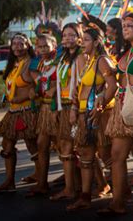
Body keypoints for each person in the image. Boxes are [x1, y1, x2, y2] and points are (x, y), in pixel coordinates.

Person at [98, 12, 133, 216]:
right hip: (122, 108)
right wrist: (103, 99)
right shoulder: (127, 51)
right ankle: (118, 201)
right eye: (124, 25)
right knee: (116, 155)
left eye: (130, 25)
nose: (125, 28)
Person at [66, 25, 117, 211]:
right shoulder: (89, 60)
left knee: (107, 156)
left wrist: (102, 106)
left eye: (86, 39)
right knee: (86, 157)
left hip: (98, 117)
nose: (82, 43)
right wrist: (74, 108)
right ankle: (85, 197)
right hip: (83, 116)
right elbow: (81, 89)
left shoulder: (102, 60)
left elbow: (114, 85)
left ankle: (122, 195)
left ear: (96, 42)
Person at [0, 33, 39, 193]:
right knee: (7, 144)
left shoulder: (31, 63)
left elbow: (40, 86)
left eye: (21, 44)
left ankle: (40, 177)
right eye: (15, 44)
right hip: (13, 111)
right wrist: (9, 96)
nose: (18, 47)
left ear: (28, 46)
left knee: (32, 144)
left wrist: (27, 95)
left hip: (27, 111)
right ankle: (9, 181)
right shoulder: (13, 65)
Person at [49, 23, 83, 201]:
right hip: (64, 107)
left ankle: (103, 186)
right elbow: (58, 85)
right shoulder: (63, 58)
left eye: (72, 35)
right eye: (65, 35)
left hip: (76, 106)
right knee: (66, 147)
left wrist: (75, 108)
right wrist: (56, 107)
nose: (67, 38)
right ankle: (71, 188)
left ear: (79, 38)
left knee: (83, 149)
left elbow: (81, 84)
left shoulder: (81, 57)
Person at [26, 34, 59, 197]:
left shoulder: (59, 62)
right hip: (45, 108)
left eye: (46, 46)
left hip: (58, 109)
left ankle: (96, 184)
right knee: (41, 144)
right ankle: (42, 183)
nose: (43, 49)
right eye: (39, 46)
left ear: (54, 45)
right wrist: (33, 91)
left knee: (65, 148)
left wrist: (56, 89)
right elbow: (39, 85)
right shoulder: (39, 64)